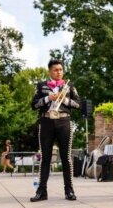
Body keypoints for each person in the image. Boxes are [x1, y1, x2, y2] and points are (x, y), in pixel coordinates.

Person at [30, 59, 80, 202]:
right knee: (45, 157)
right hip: (46, 121)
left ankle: (69, 191)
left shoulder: (69, 86)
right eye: (56, 70)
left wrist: (64, 100)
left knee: (66, 157)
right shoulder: (41, 86)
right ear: (50, 71)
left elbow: (78, 104)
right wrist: (47, 98)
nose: (59, 72)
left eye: (61, 69)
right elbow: (33, 105)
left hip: (64, 121)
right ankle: (42, 192)